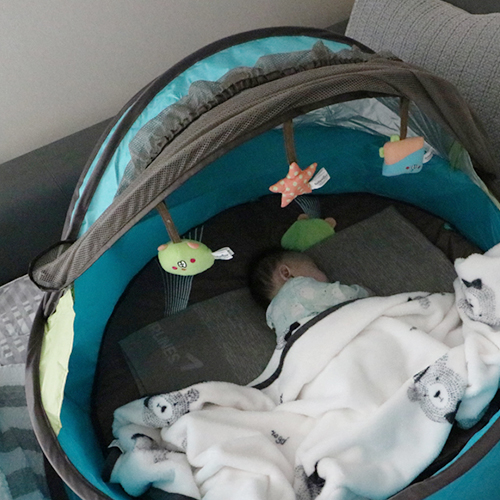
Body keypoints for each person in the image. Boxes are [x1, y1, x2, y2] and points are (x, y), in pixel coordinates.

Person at [249, 248, 369, 347]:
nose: (323, 273)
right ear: (287, 273)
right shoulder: (296, 286)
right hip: (326, 339)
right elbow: (341, 295)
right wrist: (362, 292)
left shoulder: (271, 316)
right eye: (315, 267)